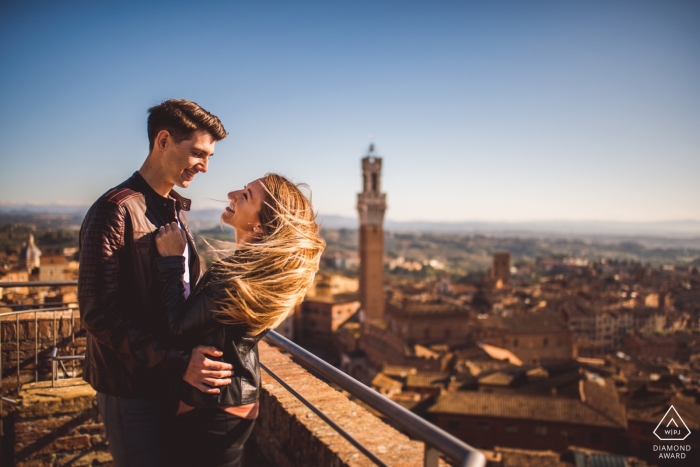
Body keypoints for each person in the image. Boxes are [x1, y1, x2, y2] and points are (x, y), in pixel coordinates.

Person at [78, 99, 233, 467]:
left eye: (209, 156)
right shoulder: (114, 210)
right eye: (197, 153)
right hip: (130, 390)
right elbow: (98, 313)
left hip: (169, 384)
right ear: (163, 140)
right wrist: (177, 363)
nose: (205, 166)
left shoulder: (172, 209)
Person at [154, 173, 325, 467]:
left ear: (259, 225)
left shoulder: (236, 278)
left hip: (214, 407)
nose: (232, 193)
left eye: (246, 195)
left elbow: (176, 329)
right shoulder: (252, 275)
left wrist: (170, 261)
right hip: (231, 401)